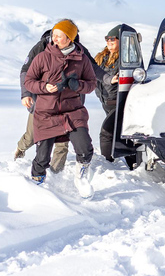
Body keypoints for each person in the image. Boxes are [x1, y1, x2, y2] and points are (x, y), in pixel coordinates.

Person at [13, 24, 102, 174]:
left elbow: (94, 71)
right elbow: (26, 73)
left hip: (70, 107)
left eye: (60, 36)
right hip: (42, 103)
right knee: (32, 135)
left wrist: (107, 79)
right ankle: (20, 150)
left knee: (63, 143)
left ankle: (55, 173)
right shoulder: (41, 48)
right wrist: (26, 94)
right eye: (55, 35)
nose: (55, 39)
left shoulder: (80, 52)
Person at [94, 25, 121, 162]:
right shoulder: (101, 57)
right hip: (105, 101)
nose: (109, 42)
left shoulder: (124, 59)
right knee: (117, 132)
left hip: (116, 101)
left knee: (106, 132)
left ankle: (107, 162)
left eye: (113, 39)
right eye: (107, 39)